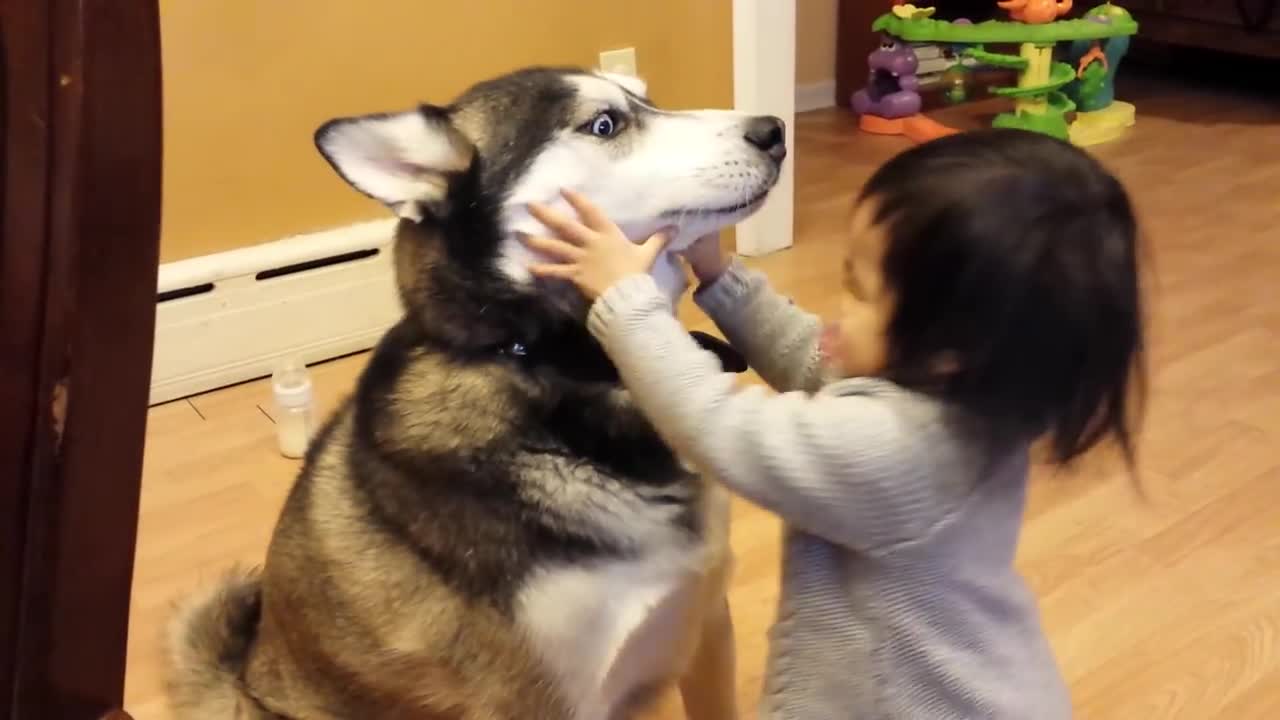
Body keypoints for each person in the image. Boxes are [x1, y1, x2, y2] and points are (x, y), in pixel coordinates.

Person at [524, 128, 1146, 719]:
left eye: (860, 289)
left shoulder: (897, 452)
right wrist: (720, 276)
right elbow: (814, 360)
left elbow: (718, 426)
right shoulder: (965, 395)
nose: (838, 309)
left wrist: (624, 300)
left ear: (951, 349)